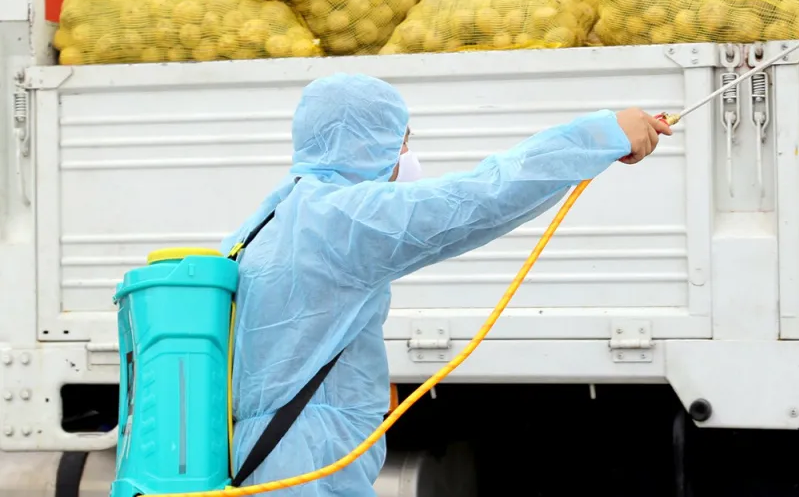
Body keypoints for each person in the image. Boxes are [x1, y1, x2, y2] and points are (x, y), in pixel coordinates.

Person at [221, 72, 671, 495]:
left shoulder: (264, 223)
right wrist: (604, 135)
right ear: (367, 143)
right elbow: (481, 197)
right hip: (307, 470)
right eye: (402, 142)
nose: (406, 157)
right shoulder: (341, 220)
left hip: (268, 461)